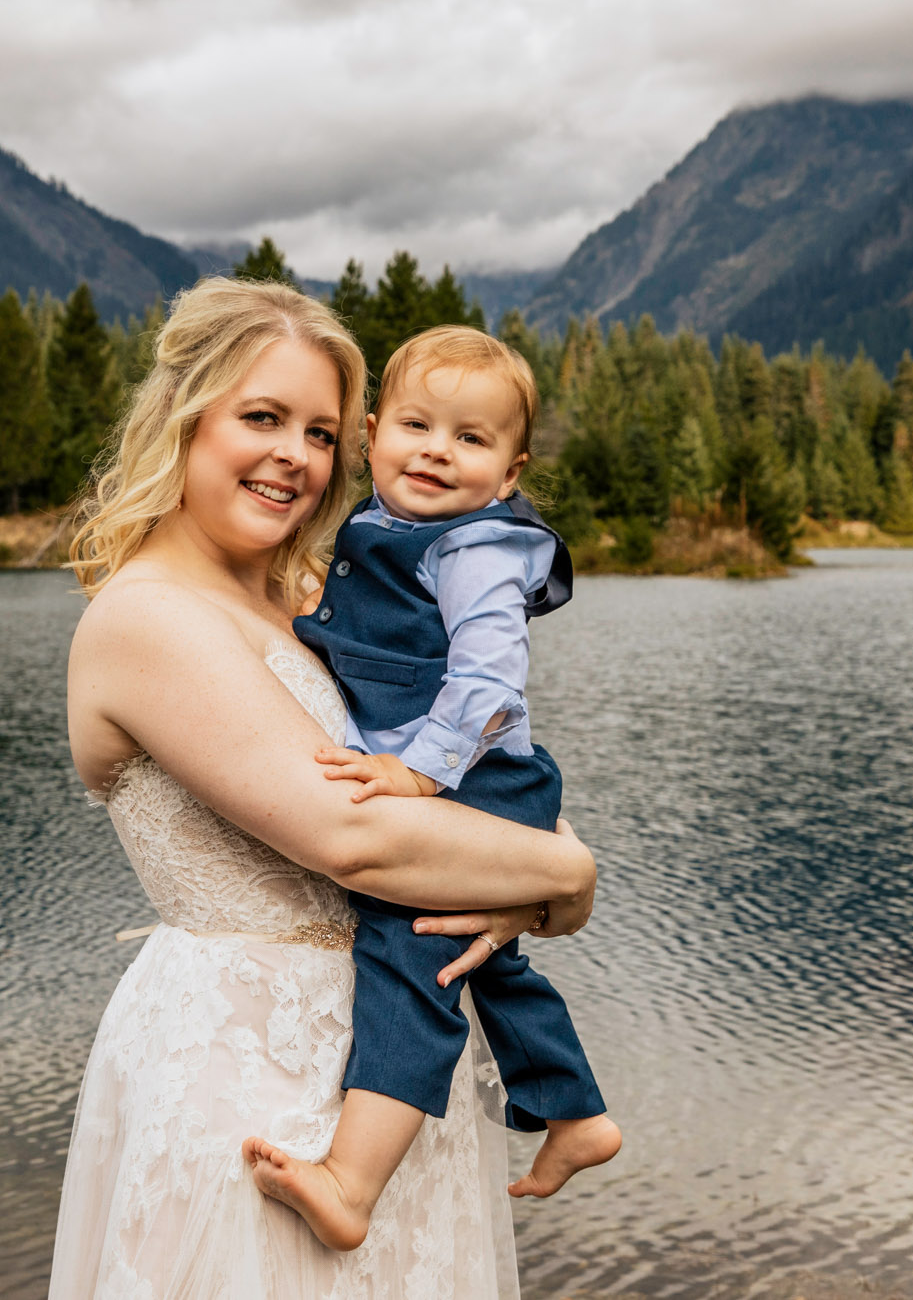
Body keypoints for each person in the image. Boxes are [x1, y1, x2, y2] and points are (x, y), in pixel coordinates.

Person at [48, 278, 597, 1299]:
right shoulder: (148, 618)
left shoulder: (305, 599)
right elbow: (358, 840)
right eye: (261, 416)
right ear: (184, 417)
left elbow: (472, 784)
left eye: (319, 431)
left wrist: (532, 875)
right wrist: (567, 872)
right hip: (245, 1084)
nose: (294, 456)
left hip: (389, 1074)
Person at [243, 327, 620, 1251]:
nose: (437, 451)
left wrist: (420, 773)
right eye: (417, 424)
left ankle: (352, 1180)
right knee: (475, 958)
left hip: (473, 777)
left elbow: (489, 685)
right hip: (457, 778)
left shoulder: (477, 547)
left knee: (410, 955)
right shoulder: (381, 530)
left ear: (510, 470)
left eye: (470, 438)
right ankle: (573, 1112)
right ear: (374, 433)